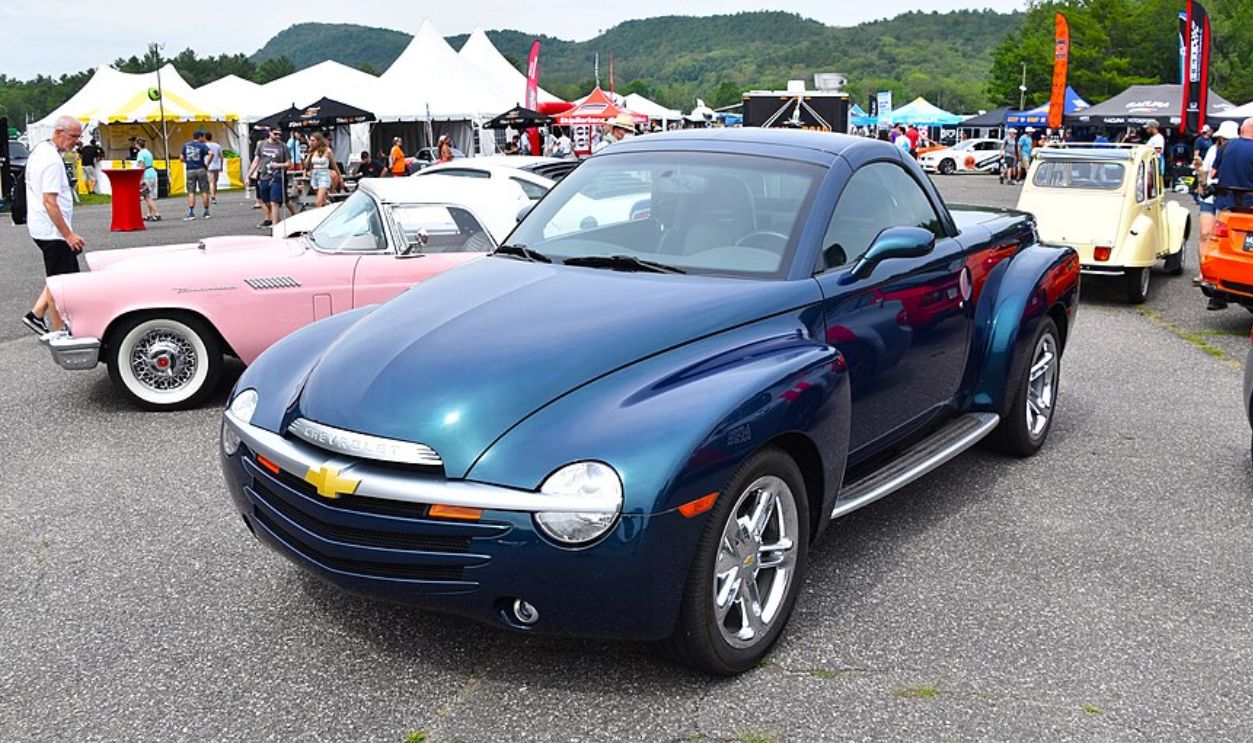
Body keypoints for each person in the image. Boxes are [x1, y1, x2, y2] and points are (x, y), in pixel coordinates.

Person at [22, 115, 85, 335]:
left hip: (42, 226)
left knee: (62, 274)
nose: (76, 142)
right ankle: (58, 328)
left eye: (78, 137)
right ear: (59, 132)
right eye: (73, 136)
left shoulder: (40, 151)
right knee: (61, 281)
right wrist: (68, 234)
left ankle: (36, 314)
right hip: (52, 231)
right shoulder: (52, 161)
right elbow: (50, 201)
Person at [1206, 117, 1253, 309]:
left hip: (1226, 206)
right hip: (1250, 207)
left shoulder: (1225, 147)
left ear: (1241, 130)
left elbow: (1213, 174)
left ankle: (1218, 295)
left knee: (1225, 248)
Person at [246, 127, 290, 229]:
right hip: (264, 176)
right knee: (265, 201)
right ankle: (277, 220)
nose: (278, 136)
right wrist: (248, 176)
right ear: (270, 133)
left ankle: (275, 226)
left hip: (277, 176)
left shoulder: (283, 147)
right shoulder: (261, 145)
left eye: (279, 134)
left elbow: (289, 163)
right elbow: (256, 161)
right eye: (275, 134)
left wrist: (279, 165)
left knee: (275, 201)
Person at [179, 130, 211, 220]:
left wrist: (187, 162)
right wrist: (207, 163)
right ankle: (206, 211)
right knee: (204, 190)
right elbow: (211, 153)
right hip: (201, 169)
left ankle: (191, 212)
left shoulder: (186, 145)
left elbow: (181, 158)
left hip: (190, 170)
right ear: (200, 137)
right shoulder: (202, 145)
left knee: (191, 192)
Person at [303, 133, 338, 209]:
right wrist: (309, 155)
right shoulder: (312, 151)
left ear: (318, 141)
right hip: (315, 175)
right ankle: (328, 211)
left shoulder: (327, 150)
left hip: (324, 175)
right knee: (322, 201)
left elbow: (335, 165)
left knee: (318, 202)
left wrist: (340, 177)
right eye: (310, 140)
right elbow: (305, 166)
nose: (311, 142)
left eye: (313, 141)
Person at [135, 138, 160, 222]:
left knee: (146, 196)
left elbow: (141, 164)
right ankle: (149, 214)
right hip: (152, 172)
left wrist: (139, 177)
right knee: (150, 195)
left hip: (146, 175)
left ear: (138, 145)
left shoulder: (140, 153)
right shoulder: (148, 152)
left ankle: (156, 213)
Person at [204, 131, 223, 205]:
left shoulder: (204, 146)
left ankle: (212, 196)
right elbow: (221, 156)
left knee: (211, 182)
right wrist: (221, 166)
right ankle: (214, 195)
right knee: (215, 182)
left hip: (208, 166)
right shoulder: (217, 145)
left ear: (205, 138)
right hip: (216, 165)